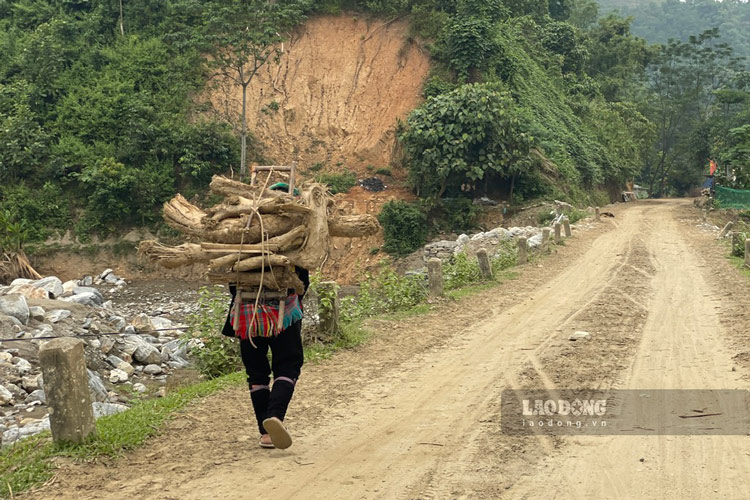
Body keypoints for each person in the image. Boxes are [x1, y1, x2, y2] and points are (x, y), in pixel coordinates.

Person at [221, 183, 309, 450]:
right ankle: (274, 417)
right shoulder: (296, 238)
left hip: (246, 316)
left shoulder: (244, 235)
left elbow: (233, 281)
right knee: (289, 365)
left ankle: (265, 433)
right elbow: (301, 281)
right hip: (283, 315)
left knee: (257, 373)